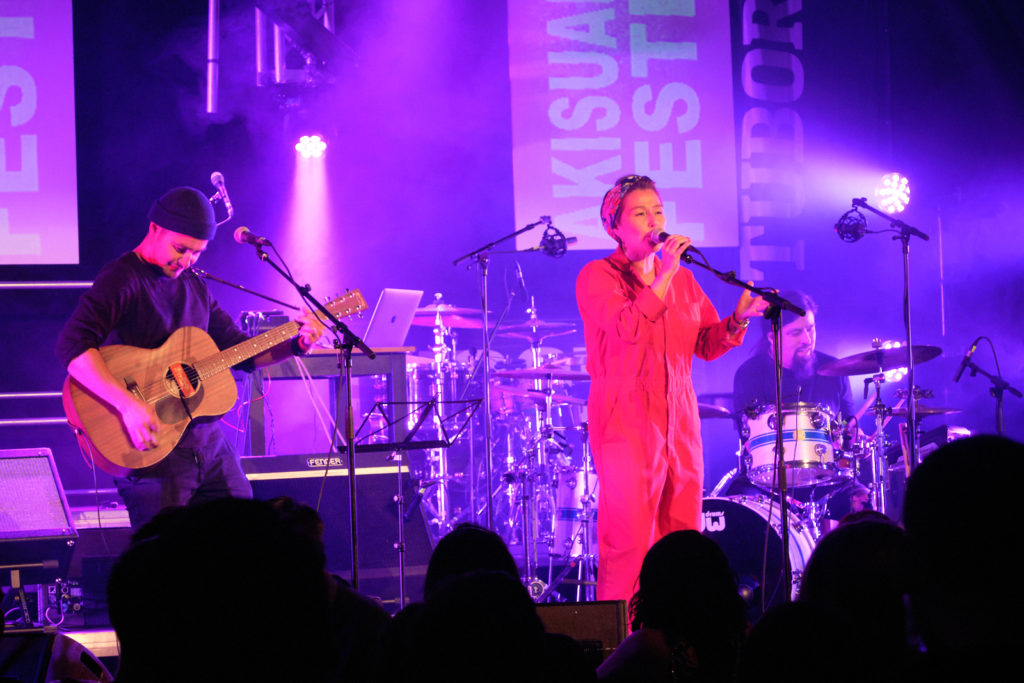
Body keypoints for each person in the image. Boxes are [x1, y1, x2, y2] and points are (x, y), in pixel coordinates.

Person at [56, 186, 324, 530]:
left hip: (208, 446)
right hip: (154, 452)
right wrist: (128, 405)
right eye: (180, 248)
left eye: (196, 253)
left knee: (245, 540)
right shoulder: (121, 279)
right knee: (167, 566)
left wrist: (296, 343)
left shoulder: (195, 285)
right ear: (155, 229)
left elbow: (240, 352)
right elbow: (72, 347)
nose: (186, 260)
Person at [575, 174, 767, 602]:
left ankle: (682, 639)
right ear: (614, 227)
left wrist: (737, 318)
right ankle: (621, 650)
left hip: (679, 414)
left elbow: (705, 343)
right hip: (625, 416)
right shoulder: (597, 276)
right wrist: (662, 276)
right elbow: (627, 327)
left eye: (658, 212)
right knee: (629, 544)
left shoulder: (680, 280)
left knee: (683, 537)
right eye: (639, 214)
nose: (653, 221)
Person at [732, 290, 854, 420]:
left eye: (810, 329)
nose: (807, 340)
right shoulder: (749, 375)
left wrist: (854, 433)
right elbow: (749, 434)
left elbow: (849, 426)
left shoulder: (836, 371)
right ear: (772, 338)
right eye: (796, 333)